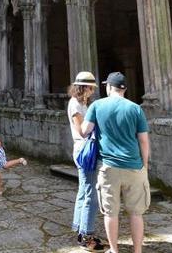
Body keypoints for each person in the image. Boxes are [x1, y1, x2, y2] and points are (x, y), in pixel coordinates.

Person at [81, 72, 151, 253]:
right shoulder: (135, 109)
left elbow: (84, 131)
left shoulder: (97, 105)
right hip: (134, 167)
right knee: (136, 213)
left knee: (110, 213)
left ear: (109, 87)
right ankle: (137, 251)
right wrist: (144, 165)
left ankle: (114, 250)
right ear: (124, 89)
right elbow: (143, 141)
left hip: (109, 167)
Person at [68, 71, 105, 251]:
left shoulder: (82, 103)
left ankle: (81, 231)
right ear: (84, 87)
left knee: (84, 192)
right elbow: (82, 130)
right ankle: (87, 237)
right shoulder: (75, 104)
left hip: (84, 150)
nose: (92, 91)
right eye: (90, 88)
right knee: (90, 194)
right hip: (84, 150)